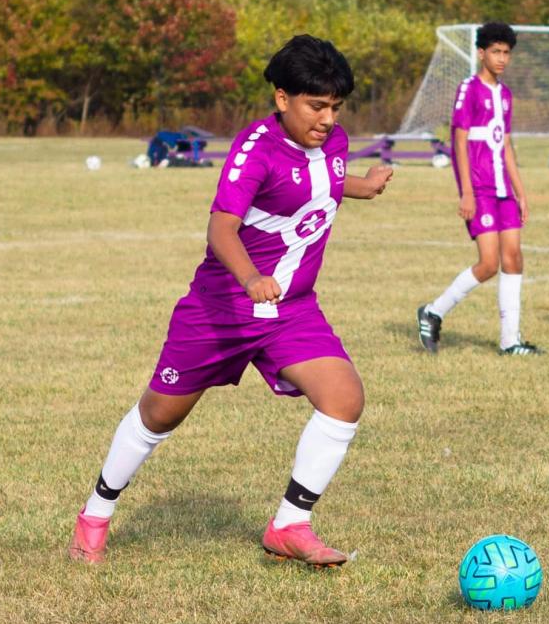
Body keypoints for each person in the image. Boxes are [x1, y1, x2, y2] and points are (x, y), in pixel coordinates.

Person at [68, 35, 395, 568]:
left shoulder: (332, 144)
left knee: (344, 398)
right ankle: (95, 515)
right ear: (282, 97)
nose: (328, 119)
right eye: (316, 106)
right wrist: (249, 277)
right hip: (222, 309)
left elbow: (326, 183)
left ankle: (290, 525)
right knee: (159, 416)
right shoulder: (255, 150)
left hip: (291, 310)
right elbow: (222, 229)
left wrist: (365, 185)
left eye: (336, 107)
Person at [417, 23, 539, 355]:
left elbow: (506, 146)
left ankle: (510, 341)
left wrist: (521, 191)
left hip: (503, 192)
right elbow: (459, 142)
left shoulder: (506, 95)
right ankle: (433, 312)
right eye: (496, 52)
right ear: (481, 53)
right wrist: (466, 192)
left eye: (506, 53)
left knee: (513, 258)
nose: (502, 59)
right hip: (481, 189)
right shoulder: (468, 90)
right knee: (488, 264)